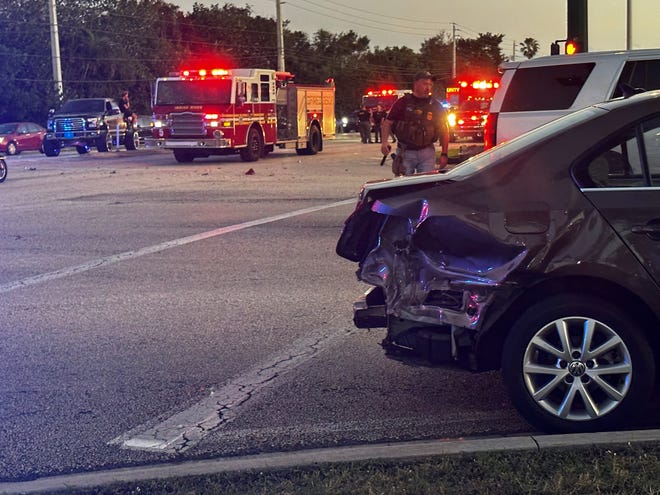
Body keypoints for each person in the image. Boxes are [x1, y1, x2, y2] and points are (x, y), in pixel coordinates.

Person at [380, 71, 449, 175]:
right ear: (416, 84)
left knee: (426, 185)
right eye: (425, 84)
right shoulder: (403, 102)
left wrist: (444, 153)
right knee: (405, 186)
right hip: (405, 152)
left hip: (427, 152)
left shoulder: (435, 105)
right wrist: (384, 142)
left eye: (430, 84)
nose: (428, 87)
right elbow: (387, 122)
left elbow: (444, 129)